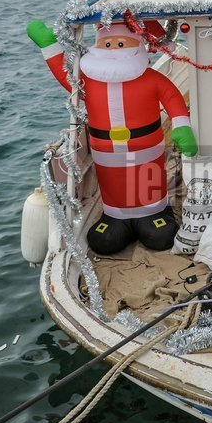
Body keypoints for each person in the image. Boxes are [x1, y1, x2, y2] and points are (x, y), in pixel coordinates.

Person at [27, 19, 198, 255]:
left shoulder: (151, 79)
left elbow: (173, 100)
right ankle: (116, 216)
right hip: (104, 155)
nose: (114, 50)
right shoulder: (88, 82)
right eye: (107, 45)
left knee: (155, 213)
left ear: (137, 47)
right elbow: (66, 74)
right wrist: (50, 46)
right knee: (107, 228)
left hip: (146, 151)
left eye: (120, 44)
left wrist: (181, 126)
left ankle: (154, 213)